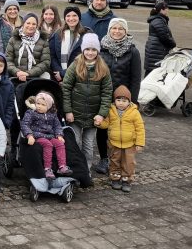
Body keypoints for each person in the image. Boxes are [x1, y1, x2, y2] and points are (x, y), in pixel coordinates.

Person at [96, 18, 141, 175]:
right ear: (109, 30)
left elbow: (136, 79)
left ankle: (120, 160)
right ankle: (103, 158)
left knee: (121, 129)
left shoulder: (133, 51)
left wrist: (133, 102)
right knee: (102, 128)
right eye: (113, 28)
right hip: (104, 96)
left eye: (120, 29)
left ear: (125, 31)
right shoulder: (102, 49)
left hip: (123, 100)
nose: (116, 31)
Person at [62, 34, 113, 172]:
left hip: (93, 115)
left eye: (93, 49)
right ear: (83, 50)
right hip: (75, 113)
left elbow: (107, 93)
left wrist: (101, 114)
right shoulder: (75, 65)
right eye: (87, 49)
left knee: (88, 144)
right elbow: (66, 88)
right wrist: (68, 111)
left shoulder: (103, 68)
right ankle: (75, 167)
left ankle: (86, 169)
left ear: (98, 51)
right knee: (75, 142)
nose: (90, 52)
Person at [95, 85, 145, 193]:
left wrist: (139, 143)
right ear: (115, 100)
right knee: (114, 161)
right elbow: (106, 123)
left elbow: (140, 128)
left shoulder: (134, 112)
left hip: (130, 144)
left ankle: (126, 180)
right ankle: (115, 179)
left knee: (128, 162)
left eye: (124, 100)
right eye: (118, 100)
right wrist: (99, 123)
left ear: (129, 101)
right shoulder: (111, 111)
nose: (121, 103)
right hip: (114, 143)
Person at [21, 92, 73, 179]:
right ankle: (47, 169)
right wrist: (29, 135)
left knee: (60, 144)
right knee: (47, 144)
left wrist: (59, 135)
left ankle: (62, 166)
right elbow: (25, 124)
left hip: (50, 135)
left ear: (48, 106)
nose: (39, 106)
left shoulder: (52, 114)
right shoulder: (31, 113)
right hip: (37, 135)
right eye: (38, 103)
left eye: (43, 105)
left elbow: (57, 126)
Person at [5, 13, 51, 82]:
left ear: (37, 26)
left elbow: (45, 62)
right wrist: (17, 72)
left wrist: (28, 73)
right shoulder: (13, 39)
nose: (31, 26)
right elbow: (8, 60)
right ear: (23, 24)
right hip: (15, 76)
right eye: (28, 23)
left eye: (34, 24)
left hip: (35, 77)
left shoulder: (43, 41)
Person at [49, 6, 90, 82]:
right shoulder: (57, 34)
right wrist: (58, 71)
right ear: (65, 18)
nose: (71, 19)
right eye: (68, 16)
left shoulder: (86, 34)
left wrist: (64, 73)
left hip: (79, 76)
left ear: (79, 18)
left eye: (74, 15)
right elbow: (52, 55)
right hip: (58, 76)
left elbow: (88, 58)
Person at [144, 1, 176, 76]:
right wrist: (173, 44)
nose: (168, 10)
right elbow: (165, 37)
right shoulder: (158, 21)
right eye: (167, 8)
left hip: (155, 49)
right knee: (154, 72)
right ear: (162, 10)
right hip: (157, 50)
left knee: (151, 71)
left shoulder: (158, 19)